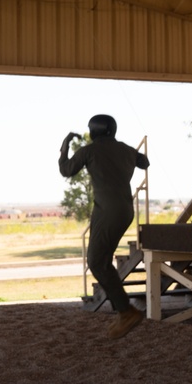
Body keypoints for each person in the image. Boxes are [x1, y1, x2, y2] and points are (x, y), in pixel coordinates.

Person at [59, 114, 150, 339]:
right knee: (102, 260)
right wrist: (126, 154)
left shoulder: (88, 151)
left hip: (106, 211)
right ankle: (124, 311)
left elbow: (66, 170)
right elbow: (144, 162)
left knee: (96, 261)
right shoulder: (126, 149)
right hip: (125, 211)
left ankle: (126, 312)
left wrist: (64, 146)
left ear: (93, 131)